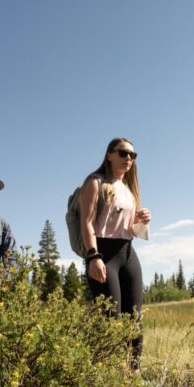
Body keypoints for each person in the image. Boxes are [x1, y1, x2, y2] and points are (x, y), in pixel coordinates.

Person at [80, 138, 151, 371]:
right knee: (110, 319)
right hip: (103, 254)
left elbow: (130, 230)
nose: (128, 158)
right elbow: (87, 223)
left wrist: (140, 222)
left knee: (134, 318)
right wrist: (93, 256)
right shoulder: (95, 182)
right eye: (123, 153)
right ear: (109, 155)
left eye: (132, 155)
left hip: (128, 252)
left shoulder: (129, 190)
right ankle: (107, 375)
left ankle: (134, 373)